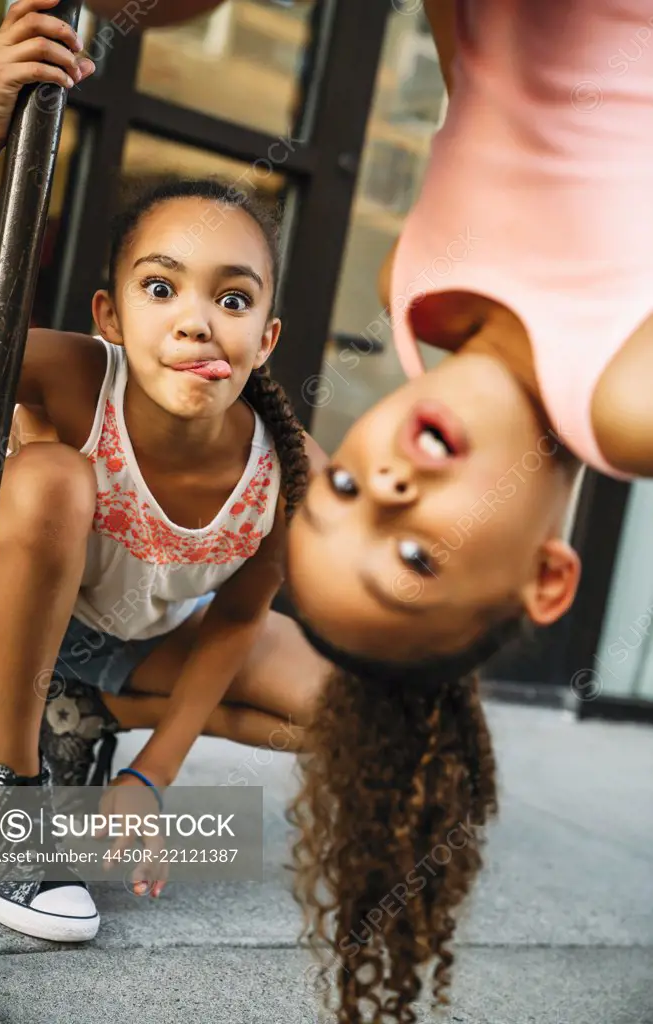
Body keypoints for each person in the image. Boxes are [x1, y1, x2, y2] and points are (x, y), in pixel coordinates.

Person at [282, 0, 653, 1019]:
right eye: (412, 559)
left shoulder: (415, 289)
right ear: (546, 577)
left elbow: (478, 62)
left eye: (342, 494)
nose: (386, 490)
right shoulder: (627, 405)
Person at [0, 0, 329, 944]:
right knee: (52, 480)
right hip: (11, 605)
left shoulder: (284, 469)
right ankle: (12, 799)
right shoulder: (73, 372)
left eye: (233, 297)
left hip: (126, 653)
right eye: (161, 287)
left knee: (349, 714)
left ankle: (81, 728)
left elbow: (243, 618)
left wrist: (151, 780)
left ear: (267, 337)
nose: (196, 319)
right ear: (113, 315)